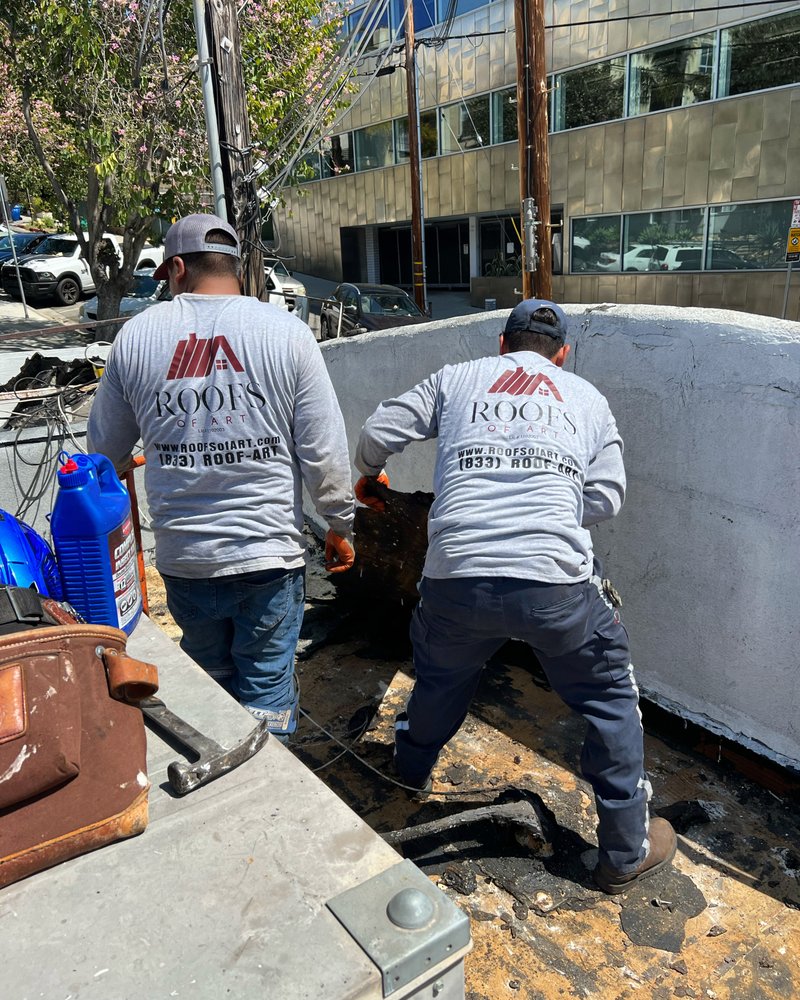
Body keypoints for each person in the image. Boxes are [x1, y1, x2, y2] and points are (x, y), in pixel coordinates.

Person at [353, 298, 676, 894]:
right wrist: (546, 513)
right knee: (609, 699)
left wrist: (367, 473)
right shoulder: (588, 400)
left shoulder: (457, 379)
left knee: (440, 680)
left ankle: (411, 769)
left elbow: (378, 434)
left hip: (456, 581)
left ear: (502, 345)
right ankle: (624, 853)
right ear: (563, 354)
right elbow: (606, 497)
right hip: (556, 589)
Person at [87, 213, 355, 739]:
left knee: (211, 680)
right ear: (234, 267)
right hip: (269, 558)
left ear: (179, 267)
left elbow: (103, 453)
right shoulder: (287, 334)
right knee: (266, 691)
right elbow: (325, 451)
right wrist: (340, 525)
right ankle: (272, 795)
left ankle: (221, 777)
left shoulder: (138, 337)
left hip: (187, 560)